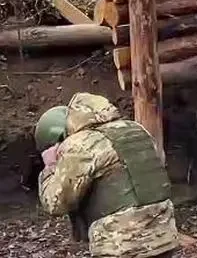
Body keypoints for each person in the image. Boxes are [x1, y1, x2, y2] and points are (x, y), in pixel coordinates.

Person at [36, 92, 179, 258]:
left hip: (121, 245)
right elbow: (158, 165)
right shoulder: (136, 129)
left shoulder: (81, 144)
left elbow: (56, 203)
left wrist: (51, 166)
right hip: (164, 236)